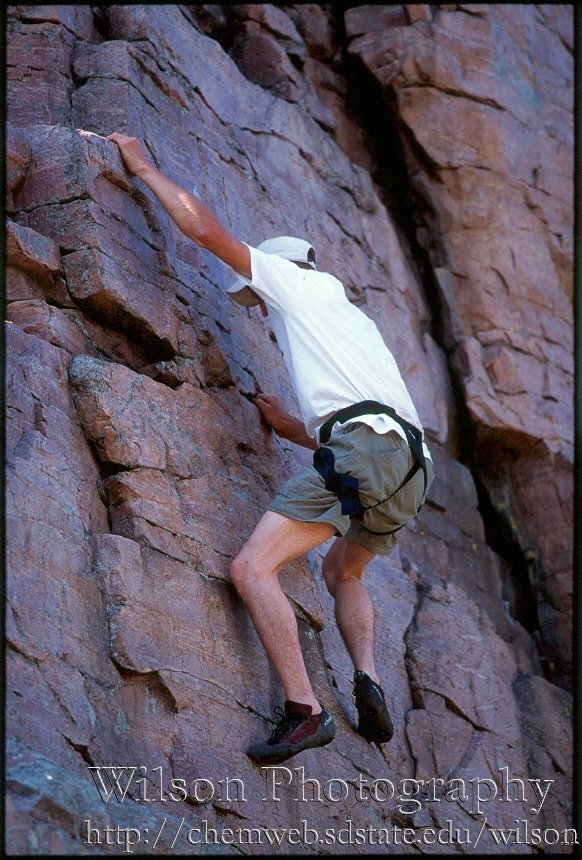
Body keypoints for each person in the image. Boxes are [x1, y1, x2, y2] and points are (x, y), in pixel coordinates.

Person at [107, 132, 435, 765]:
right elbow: (373, 432)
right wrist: (292, 427)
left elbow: (204, 229)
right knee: (344, 573)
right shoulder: (353, 323)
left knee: (252, 569)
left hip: (365, 451)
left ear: (275, 272)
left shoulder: (295, 284)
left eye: (253, 295)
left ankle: (304, 711)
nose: (257, 308)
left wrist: (144, 167)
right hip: (409, 467)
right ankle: (367, 676)